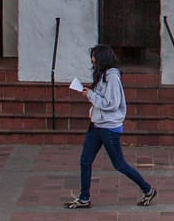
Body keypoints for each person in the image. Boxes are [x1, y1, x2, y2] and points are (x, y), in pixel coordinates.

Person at [66, 44, 156, 209]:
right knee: (85, 161)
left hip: (109, 128)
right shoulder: (102, 75)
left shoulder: (112, 77)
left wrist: (90, 95)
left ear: (103, 58)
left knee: (119, 164)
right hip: (96, 125)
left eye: (95, 56)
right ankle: (84, 198)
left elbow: (111, 104)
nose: (92, 59)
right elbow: (101, 99)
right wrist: (91, 100)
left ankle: (148, 189)